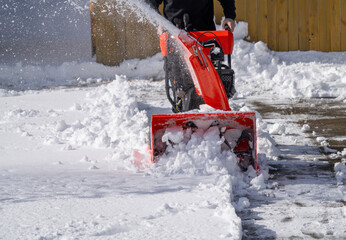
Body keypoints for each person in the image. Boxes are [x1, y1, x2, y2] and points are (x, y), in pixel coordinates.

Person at [147, 0, 236, 32]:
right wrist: (158, 22)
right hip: (174, 35)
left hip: (204, 33)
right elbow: (150, 3)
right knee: (175, 72)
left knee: (206, 72)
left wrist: (229, 17)